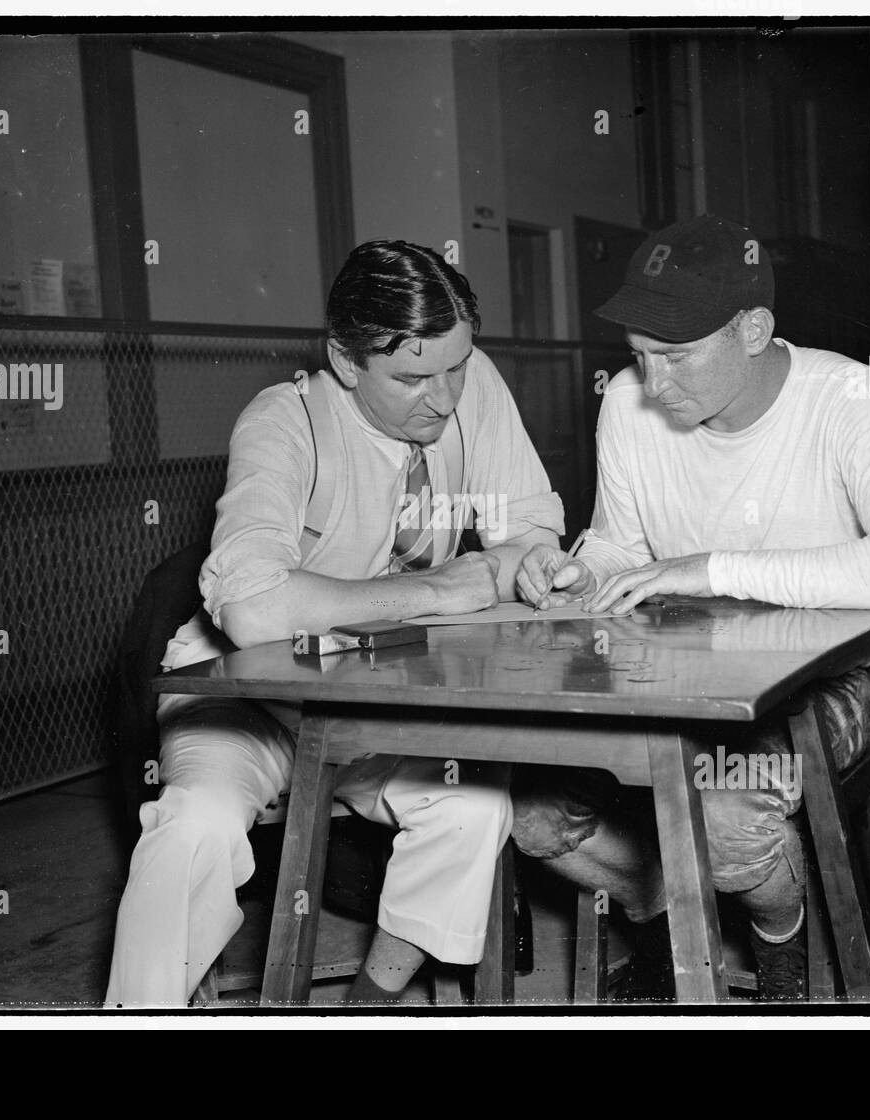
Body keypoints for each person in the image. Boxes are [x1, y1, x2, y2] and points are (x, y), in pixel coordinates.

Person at [512, 214, 870, 1000]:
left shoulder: (849, 396)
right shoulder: (626, 403)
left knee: (720, 814)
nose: (654, 385)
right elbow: (619, 543)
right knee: (531, 814)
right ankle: (663, 916)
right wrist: (581, 573)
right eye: (640, 357)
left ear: (752, 329)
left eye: (677, 355)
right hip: (671, 673)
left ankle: (775, 937)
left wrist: (712, 568)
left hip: (820, 682)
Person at [106, 240, 564, 1006]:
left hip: (382, 702)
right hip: (250, 699)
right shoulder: (285, 420)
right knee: (194, 830)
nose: (446, 398)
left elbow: (524, 528)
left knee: (473, 807)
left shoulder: (467, 381)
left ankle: (370, 1003)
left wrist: (536, 564)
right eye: (414, 378)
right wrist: (439, 591)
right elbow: (250, 607)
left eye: (456, 367)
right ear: (346, 361)